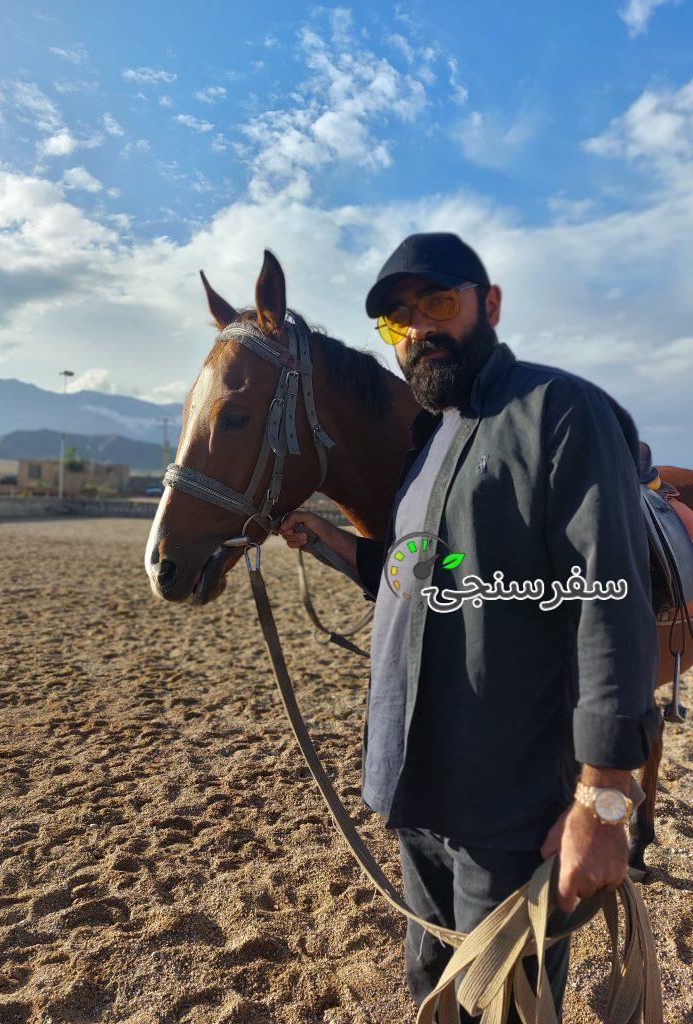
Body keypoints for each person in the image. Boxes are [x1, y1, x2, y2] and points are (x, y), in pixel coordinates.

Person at [277, 233, 660, 1022]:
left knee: (509, 1002)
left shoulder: (560, 411)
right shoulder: (430, 440)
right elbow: (414, 576)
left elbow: (610, 600)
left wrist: (604, 800)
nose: (419, 328)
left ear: (490, 304)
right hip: (414, 787)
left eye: (438, 303)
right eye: (398, 320)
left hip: (510, 807)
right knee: (435, 989)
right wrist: (323, 541)